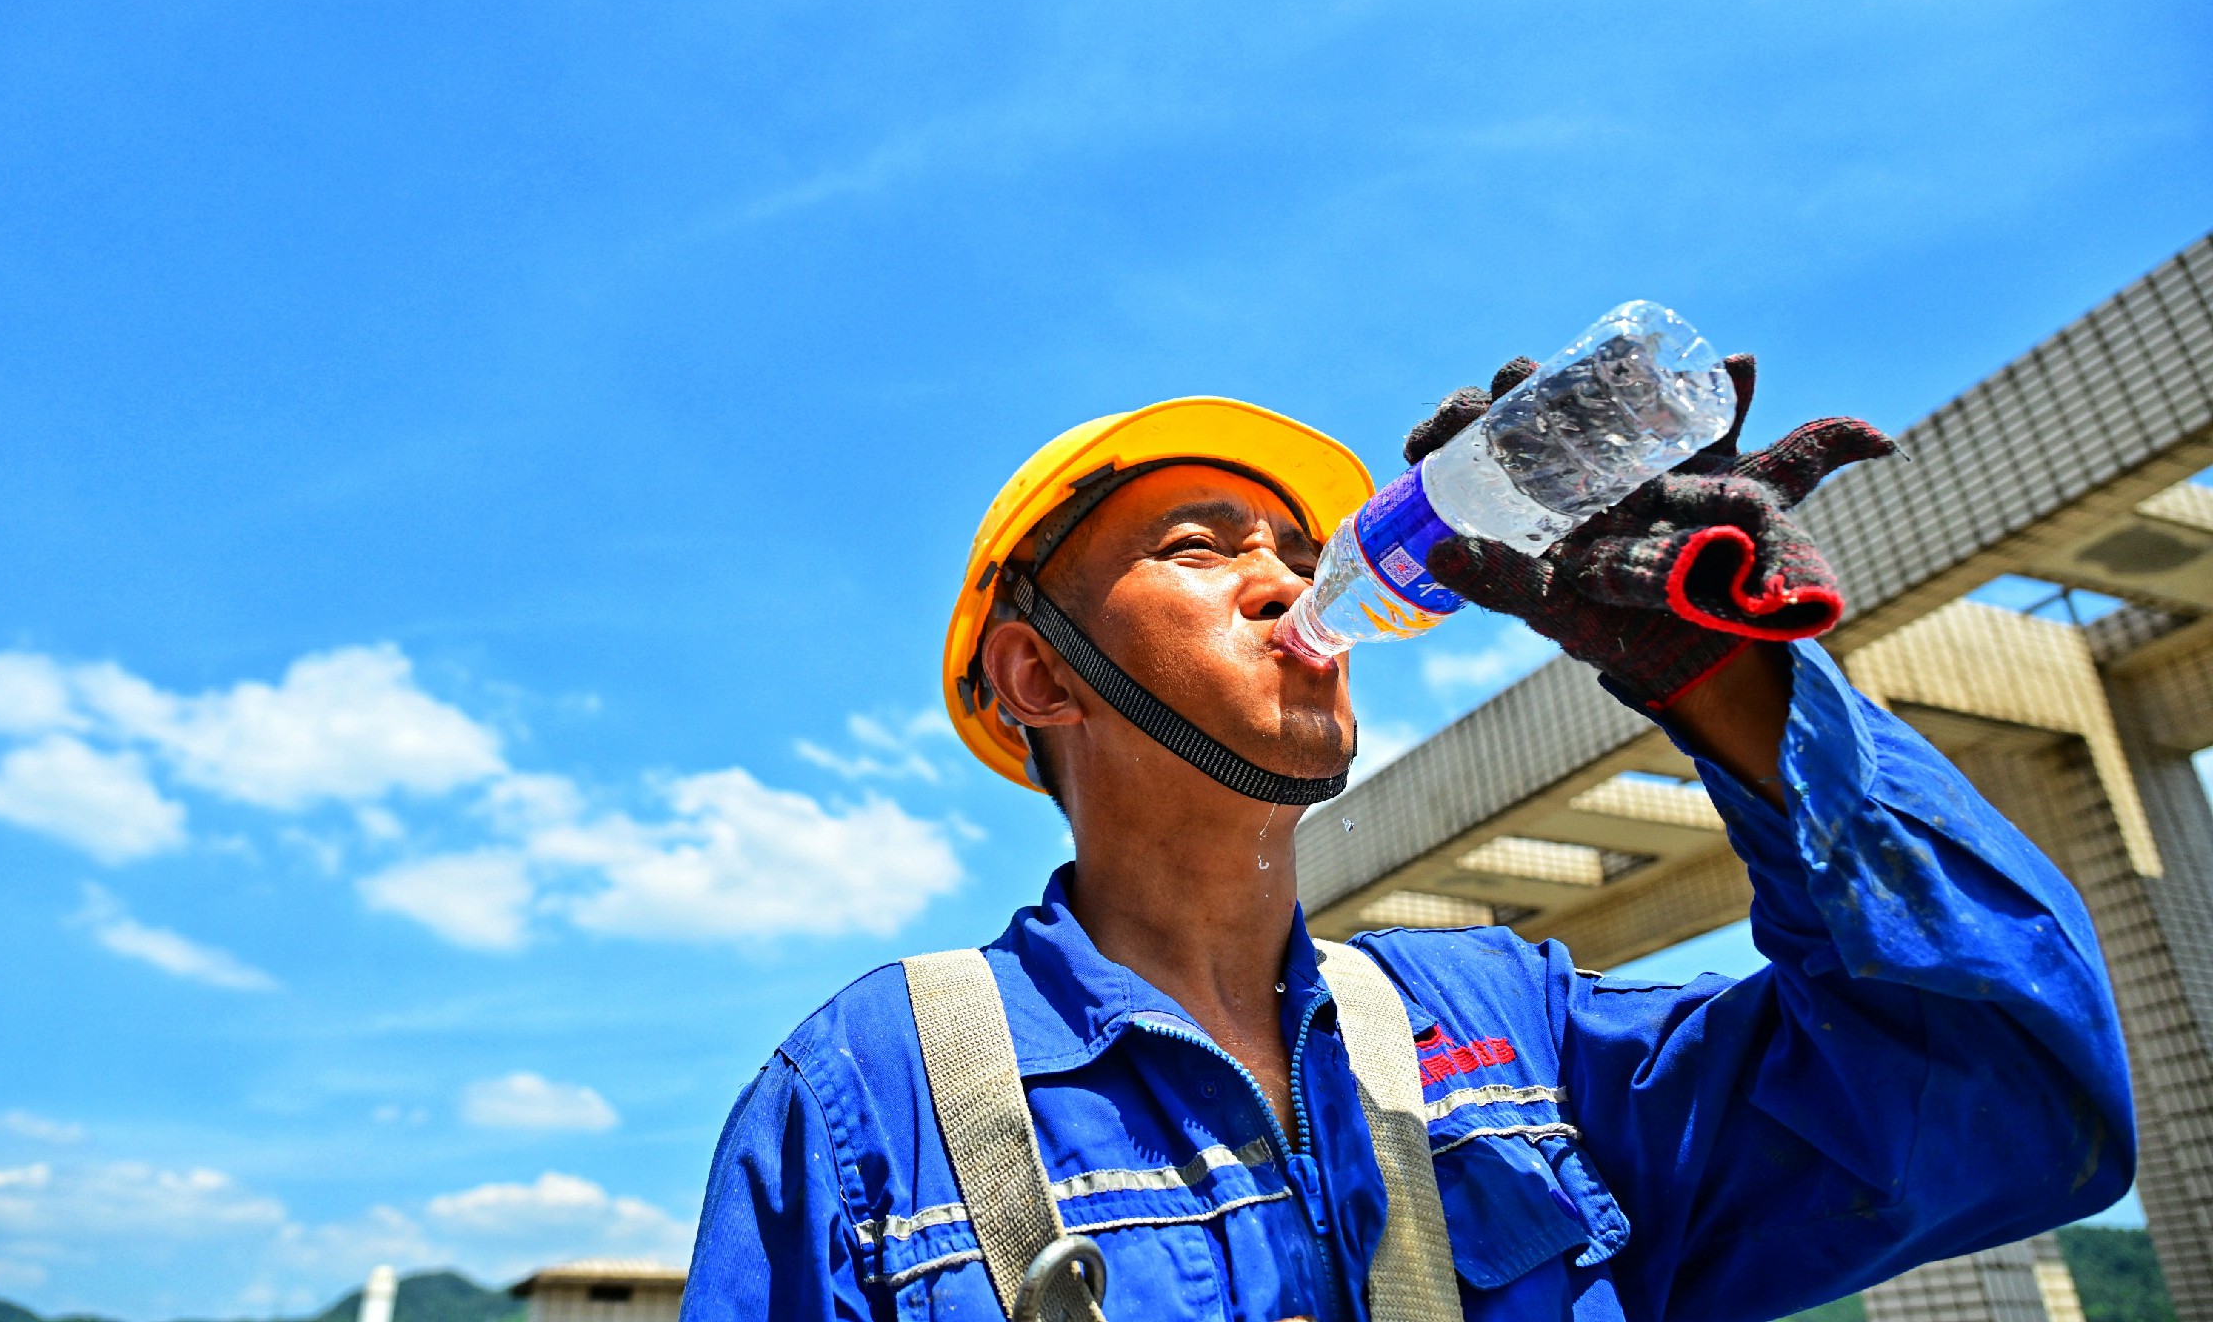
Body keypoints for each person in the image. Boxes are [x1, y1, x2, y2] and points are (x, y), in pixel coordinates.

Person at [681, 363, 2134, 1322]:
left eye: (1299, 555)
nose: (1280, 582)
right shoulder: (871, 1102)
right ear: (1040, 677)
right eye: (1200, 547)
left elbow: (2015, 1102)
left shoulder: (1520, 1034)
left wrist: (1718, 673)